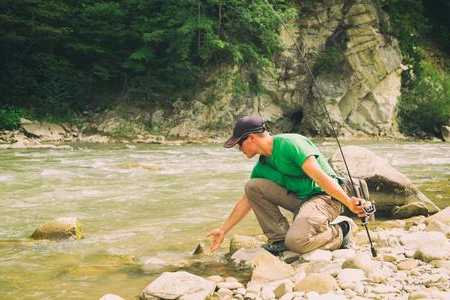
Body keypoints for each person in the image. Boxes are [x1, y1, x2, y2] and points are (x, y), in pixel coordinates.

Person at [208, 115, 367, 256]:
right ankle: (280, 240)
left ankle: (342, 230)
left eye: (238, 144)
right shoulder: (262, 167)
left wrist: (349, 203)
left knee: (297, 243)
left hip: (325, 198)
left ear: (250, 138)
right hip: (301, 200)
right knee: (252, 187)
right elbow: (246, 201)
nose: (239, 149)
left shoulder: (291, 143)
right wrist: (223, 230)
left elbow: (320, 177)